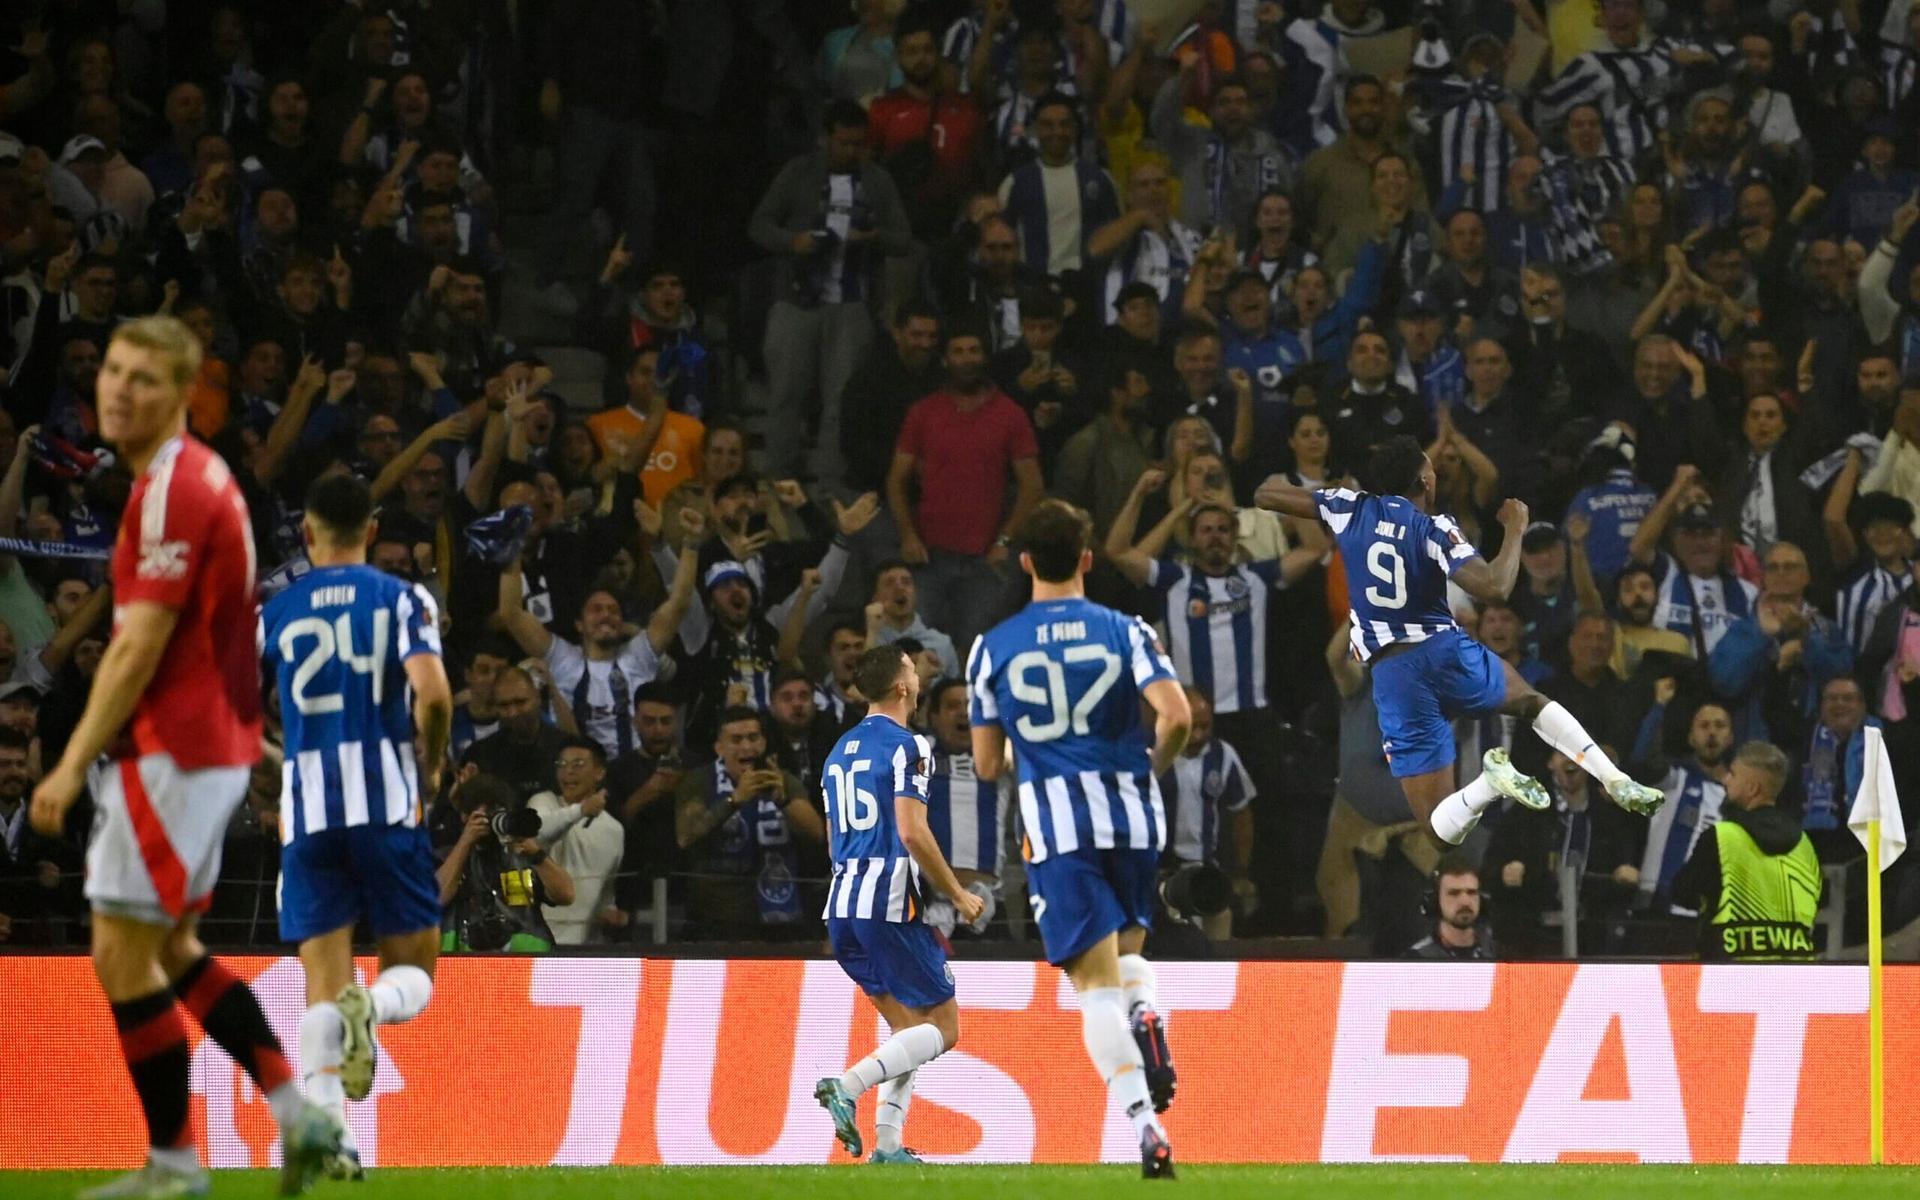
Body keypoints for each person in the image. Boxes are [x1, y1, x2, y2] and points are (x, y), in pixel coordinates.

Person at [28, 316, 340, 1197]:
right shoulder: (187, 482)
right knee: (168, 949)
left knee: (121, 955)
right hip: (203, 746)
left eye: (145, 380)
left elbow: (138, 646)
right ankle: (296, 1111)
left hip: (177, 748)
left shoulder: (175, 487)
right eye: (112, 374)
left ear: (183, 396)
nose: (120, 390)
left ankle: (175, 1165)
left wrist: (68, 762)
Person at [1255, 435, 1666, 848]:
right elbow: (1494, 587)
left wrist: (1334, 497)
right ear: (1423, 482)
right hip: (1445, 650)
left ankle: (1489, 785)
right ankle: (1614, 778)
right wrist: (1515, 530)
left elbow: (1265, 494)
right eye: (1430, 471)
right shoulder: (1434, 527)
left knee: (1438, 833)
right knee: (1530, 702)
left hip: (1396, 674)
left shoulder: (1349, 507)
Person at [968, 499, 1190, 1178]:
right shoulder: (1127, 631)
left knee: (1093, 988)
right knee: (1126, 959)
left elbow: (983, 764)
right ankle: (1148, 1010)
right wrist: (1145, 769)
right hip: (1132, 814)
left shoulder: (993, 646)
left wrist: (1031, 756)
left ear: (1026, 561)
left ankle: (1145, 1130)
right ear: (1088, 560)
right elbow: (1176, 717)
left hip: (1057, 826)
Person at [260, 472, 452, 1181]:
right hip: (387, 805)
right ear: (372, 530)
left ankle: (328, 1135)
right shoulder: (401, 597)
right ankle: (371, 1007)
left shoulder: (276, 610)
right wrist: (428, 766)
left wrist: (275, 760)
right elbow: (432, 694)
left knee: (322, 983)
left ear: (307, 535)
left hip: (308, 814)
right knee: (415, 975)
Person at [813, 646, 984, 1165]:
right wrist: (957, 893)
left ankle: (887, 1146)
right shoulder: (910, 745)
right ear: (903, 687)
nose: (917, 670)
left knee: (907, 1032)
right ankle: (845, 1086)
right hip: (886, 903)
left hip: (842, 903)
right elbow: (911, 831)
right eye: (912, 666)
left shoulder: (838, 750)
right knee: (945, 1028)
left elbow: (831, 841)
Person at [1669, 741, 1822, 961]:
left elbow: (1682, 893)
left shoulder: (1722, 837)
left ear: (1752, 788)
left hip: (1732, 971)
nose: (1725, 780)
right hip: (1793, 971)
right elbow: (1816, 897)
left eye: (1732, 774)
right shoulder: (1804, 842)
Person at [1407, 855, 1496, 960]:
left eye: (1471, 892)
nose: (1465, 902)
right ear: (1435, 901)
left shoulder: (1500, 955)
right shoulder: (1416, 960)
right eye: (1454, 893)